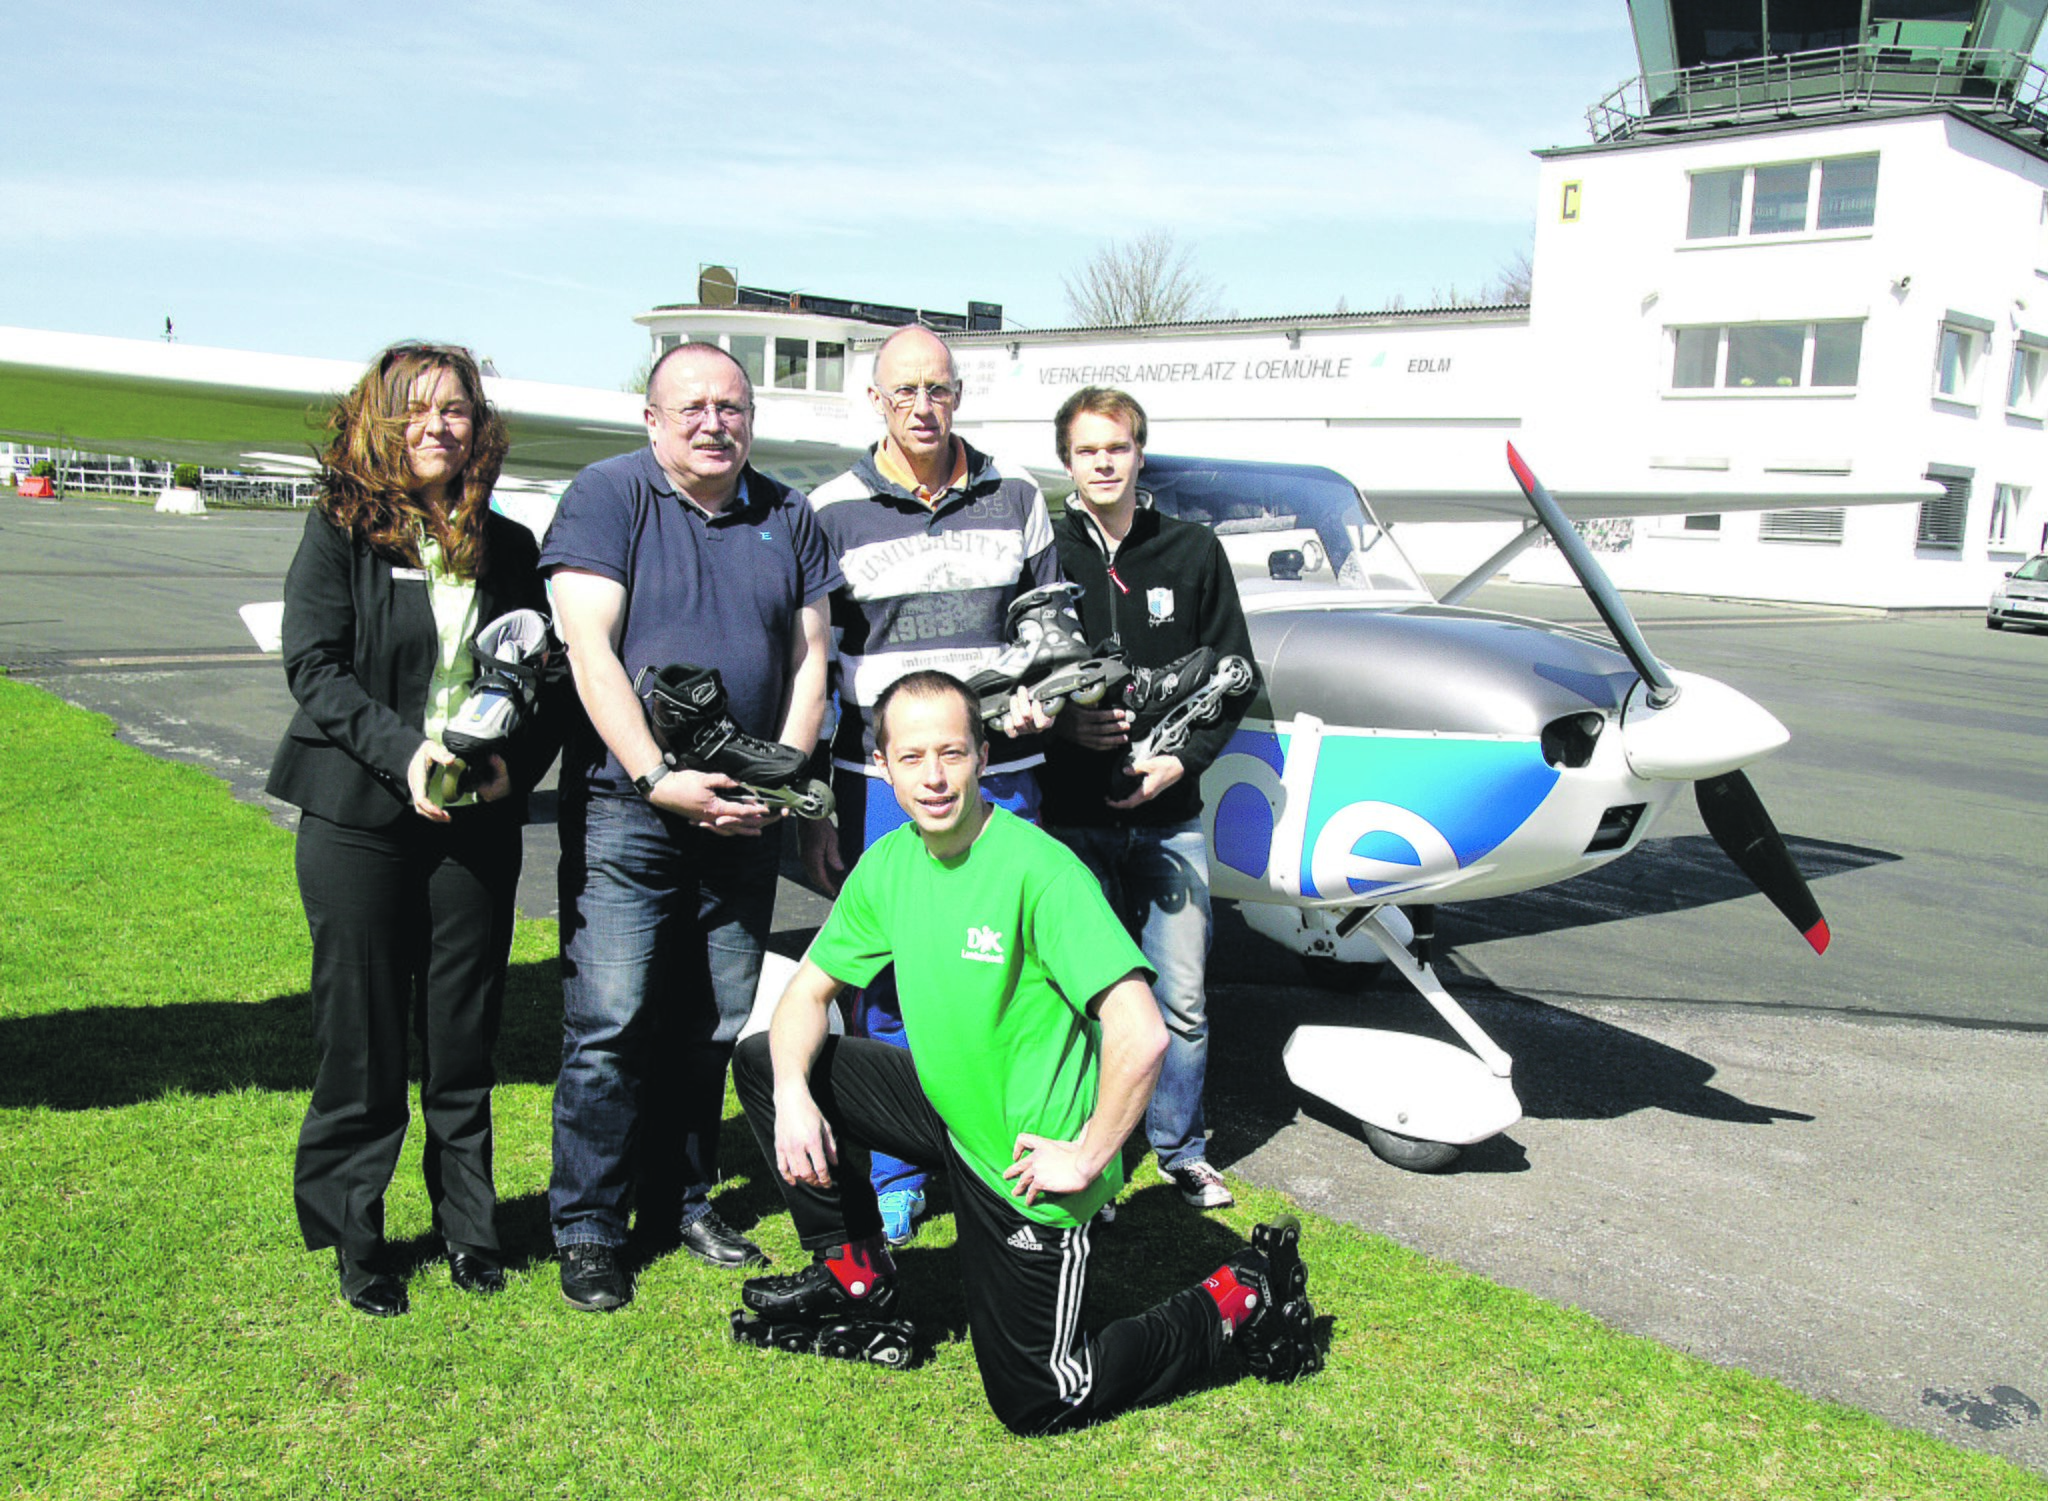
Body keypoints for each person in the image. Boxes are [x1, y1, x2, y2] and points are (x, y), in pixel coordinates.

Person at [731, 672, 1319, 1435]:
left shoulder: (1040, 873)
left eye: (952, 752)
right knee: (765, 1063)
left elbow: (1141, 1033)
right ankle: (854, 1280)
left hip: (1022, 1159)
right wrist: (795, 1096)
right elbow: (805, 996)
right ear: (883, 767)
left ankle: (1244, 1293)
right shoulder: (891, 864)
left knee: (1043, 1395)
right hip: (949, 1104)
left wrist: (1084, 1156)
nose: (934, 776)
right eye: (912, 757)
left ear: (982, 755)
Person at [540, 341, 839, 1311]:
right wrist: (657, 774)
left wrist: (782, 779)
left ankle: (684, 1197)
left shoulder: (785, 514)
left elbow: (808, 660)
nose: (716, 423)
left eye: (732, 406)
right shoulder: (608, 496)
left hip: (741, 813)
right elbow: (588, 647)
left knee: (710, 1018)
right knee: (612, 1020)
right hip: (633, 806)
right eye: (694, 407)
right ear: (652, 419)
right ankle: (588, 1225)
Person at [269, 341, 560, 1317]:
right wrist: (401, 753)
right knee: (363, 1036)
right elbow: (313, 665)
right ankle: (358, 1232)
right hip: (359, 813)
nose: (439, 425)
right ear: (379, 421)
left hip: (474, 821)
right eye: (417, 409)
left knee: (462, 1032)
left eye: (456, 409)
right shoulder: (342, 528)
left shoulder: (507, 544)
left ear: (479, 427)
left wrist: (516, 764)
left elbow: (541, 676)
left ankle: (471, 1231)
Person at [801, 324, 1063, 1245]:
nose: (922, 405)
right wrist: (827, 798)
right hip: (879, 782)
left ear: (959, 394)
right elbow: (816, 663)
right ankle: (900, 1167)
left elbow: (1045, 631)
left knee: (1014, 976)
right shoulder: (827, 507)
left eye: (939, 388)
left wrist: (1036, 701)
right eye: (904, 390)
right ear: (875, 399)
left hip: (1005, 774)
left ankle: (1011, 1152)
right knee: (890, 984)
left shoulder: (1019, 494)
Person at [1041, 388, 1258, 1212]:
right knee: (1077, 993)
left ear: (1140, 453)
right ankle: (1086, 1139)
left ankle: (1180, 1148)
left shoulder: (1194, 551)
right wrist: (1067, 730)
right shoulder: (1046, 550)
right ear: (1068, 460)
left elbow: (1237, 674)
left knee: (1183, 996)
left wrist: (1183, 762)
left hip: (1170, 817)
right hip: (1069, 816)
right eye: (1088, 449)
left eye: (1118, 447)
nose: (1104, 462)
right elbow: (1020, 678)